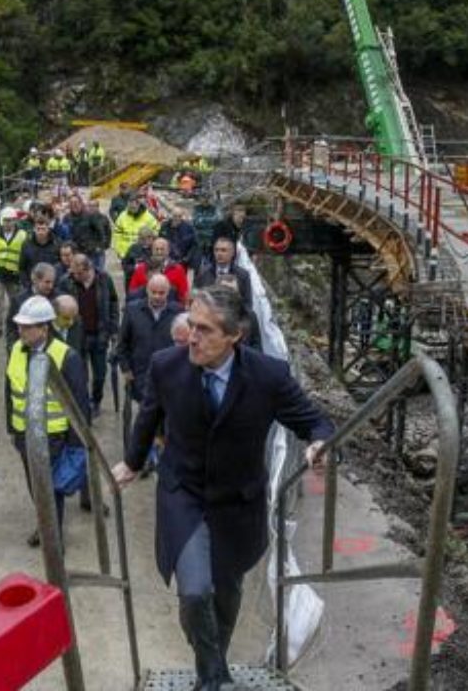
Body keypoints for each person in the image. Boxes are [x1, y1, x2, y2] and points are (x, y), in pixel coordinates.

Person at [112, 286, 334, 689]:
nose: (191, 337)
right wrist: (131, 461)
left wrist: (319, 443)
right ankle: (214, 678)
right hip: (184, 495)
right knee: (195, 592)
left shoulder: (269, 376)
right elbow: (147, 418)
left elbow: (314, 421)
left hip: (238, 503)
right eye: (191, 325)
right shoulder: (167, 366)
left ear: (235, 336)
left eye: (205, 330)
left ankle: (212, 665)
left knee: (225, 596)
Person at [4, 296, 89, 548]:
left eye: (27, 327)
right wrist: (12, 428)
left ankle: (54, 537)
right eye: (19, 326)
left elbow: (79, 406)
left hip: (54, 437)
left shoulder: (66, 357)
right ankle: (45, 526)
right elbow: (10, 390)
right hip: (24, 434)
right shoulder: (16, 350)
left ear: (44, 328)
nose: (21, 331)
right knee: (35, 486)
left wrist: (75, 445)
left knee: (52, 490)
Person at [57, 254, 119, 417]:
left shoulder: (104, 279)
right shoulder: (66, 281)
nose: (73, 275)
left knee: (99, 374)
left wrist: (113, 328)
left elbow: (113, 302)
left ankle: (96, 400)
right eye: (72, 272)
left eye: (77, 273)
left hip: (100, 335)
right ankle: (83, 403)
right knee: (79, 374)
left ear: (88, 269)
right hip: (78, 336)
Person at [116, 274, 184, 404]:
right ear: (147, 290)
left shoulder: (178, 312)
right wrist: (125, 369)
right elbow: (122, 343)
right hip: (141, 374)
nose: (157, 296)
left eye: (161, 293)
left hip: (169, 374)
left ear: (168, 292)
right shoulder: (132, 310)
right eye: (153, 292)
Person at [194, 236, 260, 350]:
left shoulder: (242, 275)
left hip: (235, 327)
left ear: (232, 253)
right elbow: (197, 300)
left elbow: (248, 304)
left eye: (223, 250)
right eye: (216, 250)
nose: (219, 254)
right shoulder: (203, 273)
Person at [0, 205, 27, 339]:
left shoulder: (23, 235)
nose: (8, 223)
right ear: (1, 221)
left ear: (15, 221)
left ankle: (18, 326)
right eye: (6, 220)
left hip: (14, 275)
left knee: (15, 301)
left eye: (11, 220)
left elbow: (25, 255)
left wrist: (23, 272)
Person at [7, 262, 59, 345]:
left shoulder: (58, 298)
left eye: (52, 282)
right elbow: (11, 329)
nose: (51, 286)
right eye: (47, 282)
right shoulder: (19, 301)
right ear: (35, 280)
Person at [129, 237, 190, 304]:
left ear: (168, 251)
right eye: (156, 249)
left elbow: (183, 294)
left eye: (162, 249)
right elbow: (133, 292)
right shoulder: (141, 268)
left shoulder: (178, 269)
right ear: (152, 250)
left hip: (170, 310)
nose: (159, 252)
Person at [19, 209, 62, 289]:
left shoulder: (57, 244)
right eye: (38, 229)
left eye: (43, 229)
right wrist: (27, 284)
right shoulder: (26, 245)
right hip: (33, 286)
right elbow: (22, 268)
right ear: (34, 229)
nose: (41, 232)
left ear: (48, 229)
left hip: (52, 286)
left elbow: (60, 265)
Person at [111, 197, 161, 265]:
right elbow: (117, 234)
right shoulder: (122, 216)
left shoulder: (148, 217)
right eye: (129, 207)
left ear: (138, 205)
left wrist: (150, 246)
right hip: (125, 253)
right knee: (128, 272)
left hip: (143, 253)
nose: (131, 210)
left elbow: (157, 232)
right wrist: (119, 251)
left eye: (133, 207)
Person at [68, 196, 112, 271]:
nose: (74, 205)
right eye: (71, 203)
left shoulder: (90, 216)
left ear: (81, 204)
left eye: (76, 203)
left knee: (96, 275)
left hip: (93, 253)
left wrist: (101, 246)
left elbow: (101, 232)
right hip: (77, 253)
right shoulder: (67, 218)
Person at [159, 204, 199, 269]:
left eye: (179, 216)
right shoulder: (164, 227)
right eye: (175, 216)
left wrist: (187, 258)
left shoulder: (189, 228)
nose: (177, 218)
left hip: (182, 262)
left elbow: (194, 245)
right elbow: (159, 242)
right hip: (166, 260)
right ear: (171, 215)